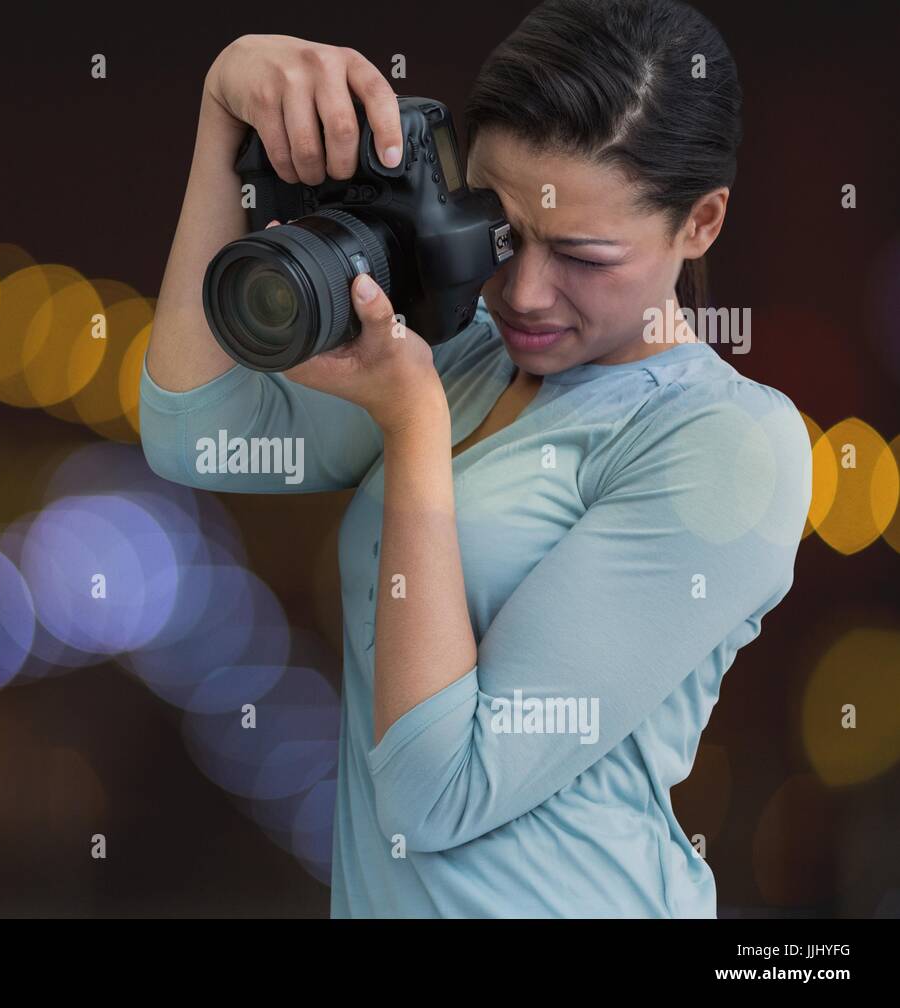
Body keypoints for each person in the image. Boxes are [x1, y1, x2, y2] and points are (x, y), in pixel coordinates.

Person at [139, 1, 813, 917]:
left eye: (583, 256)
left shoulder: (726, 443)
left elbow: (439, 792)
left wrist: (414, 424)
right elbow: (196, 432)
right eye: (501, 232)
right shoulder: (463, 351)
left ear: (700, 222)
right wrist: (223, 114)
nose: (525, 293)